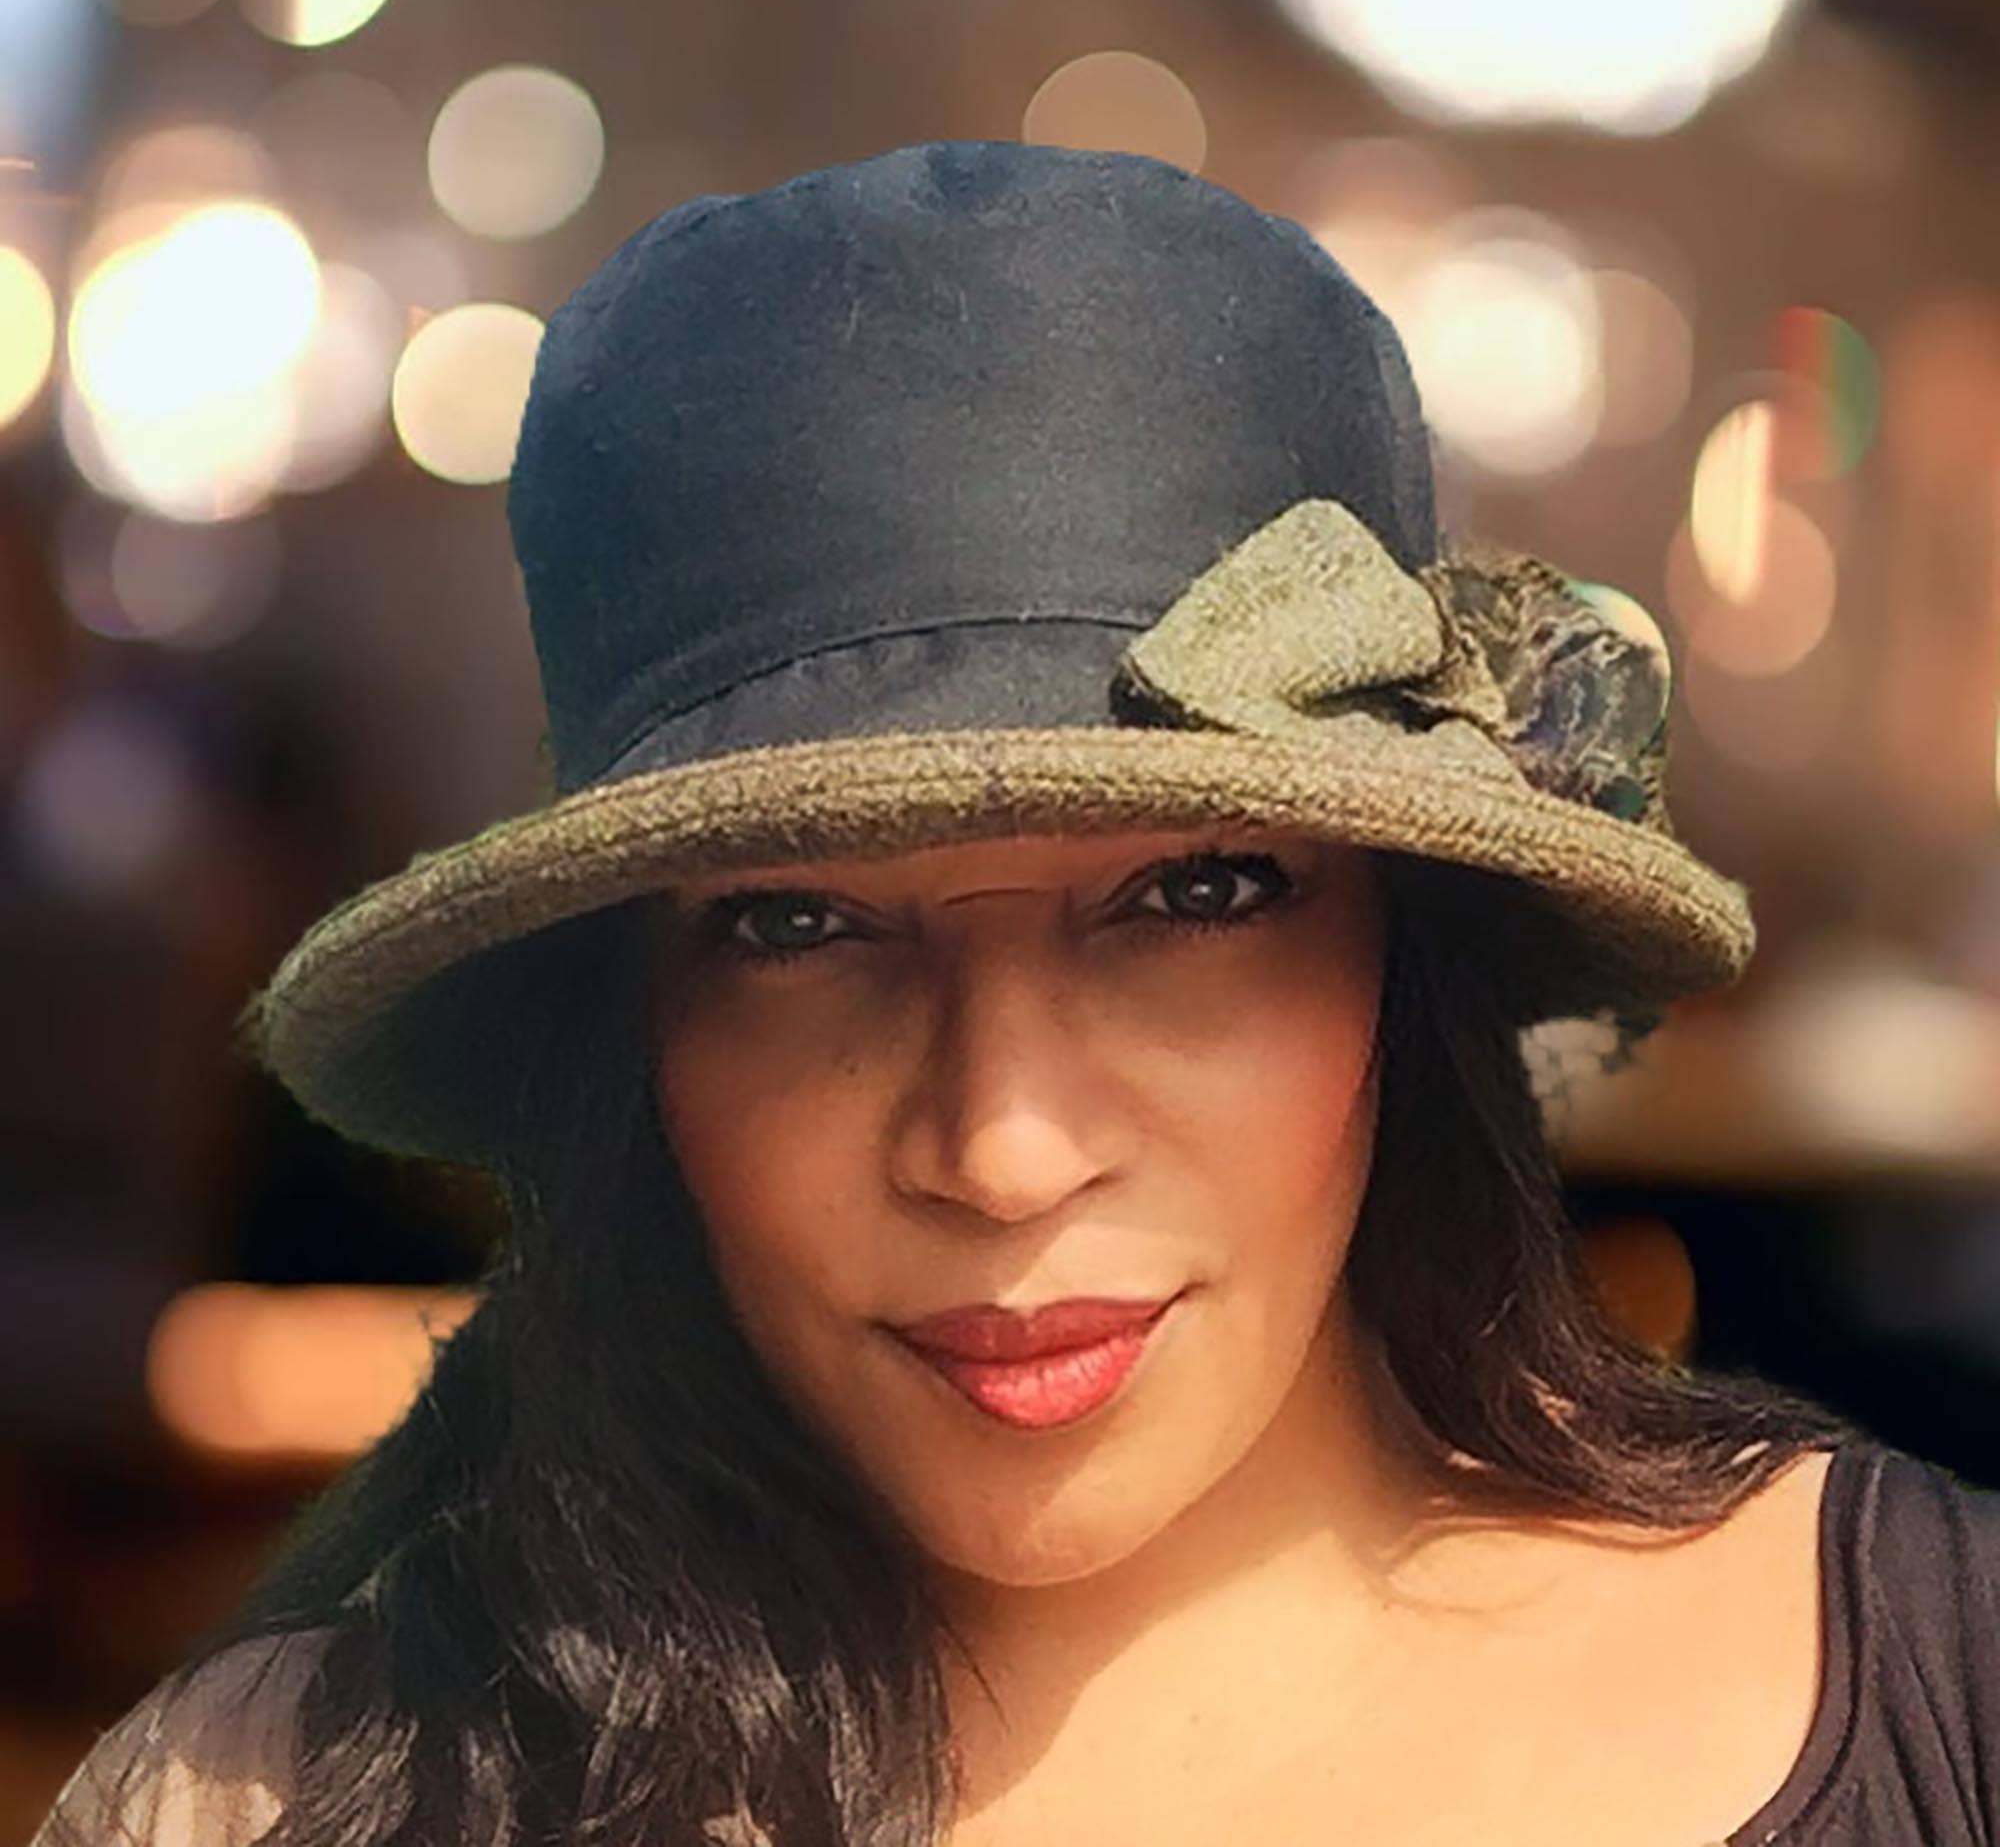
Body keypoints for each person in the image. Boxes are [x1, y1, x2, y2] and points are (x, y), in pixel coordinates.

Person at [35, 140, 2000, 1847]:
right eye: (797, 929)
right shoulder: (273, 1799)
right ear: (633, 1038)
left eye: (1193, 894)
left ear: (1404, 951)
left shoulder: (1946, 1688)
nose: (1001, 1146)